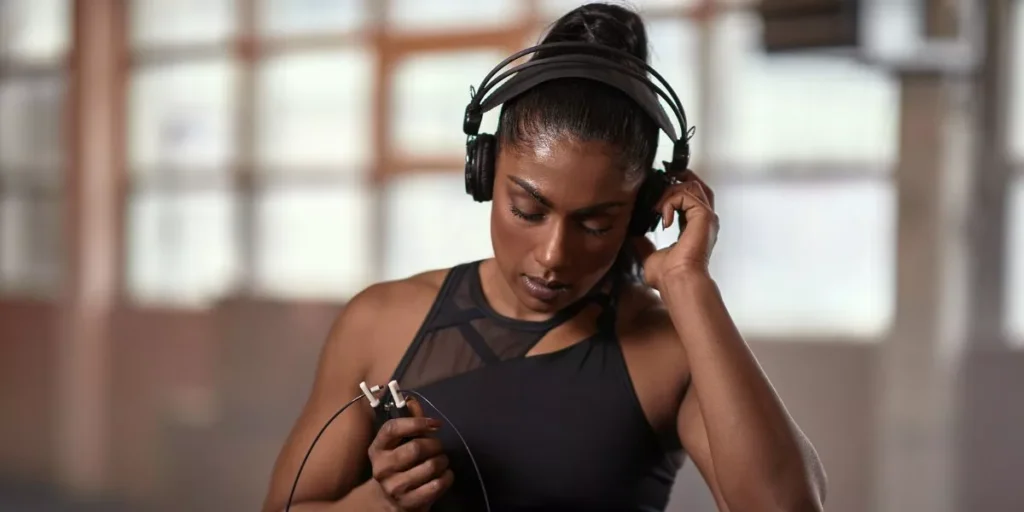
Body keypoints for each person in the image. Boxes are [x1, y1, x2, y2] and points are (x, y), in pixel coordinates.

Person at [261, 3, 827, 512]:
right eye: (528, 211)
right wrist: (382, 502)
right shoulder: (379, 323)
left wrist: (687, 284)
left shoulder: (669, 351)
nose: (554, 256)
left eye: (596, 224)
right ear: (484, 175)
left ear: (641, 212)